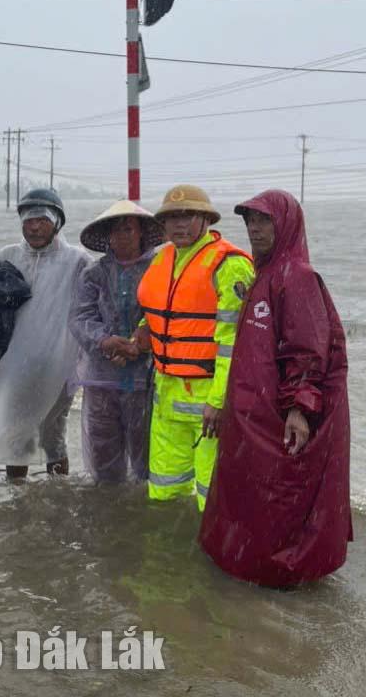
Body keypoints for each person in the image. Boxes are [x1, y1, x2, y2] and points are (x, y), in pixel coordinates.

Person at [199, 190, 352, 586]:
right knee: (249, 496)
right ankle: (245, 567)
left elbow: (308, 350)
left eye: (264, 221)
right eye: (250, 221)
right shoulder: (262, 274)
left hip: (277, 418)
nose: (254, 229)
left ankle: (281, 574)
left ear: (286, 225)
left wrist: (300, 409)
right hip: (250, 417)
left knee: (281, 497)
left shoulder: (296, 277)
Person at [135, 185, 254, 510]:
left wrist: (218, 403)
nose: (179, 224)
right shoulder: (163, 258)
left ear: (206, 219)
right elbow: (163, 310)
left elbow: (234, 344)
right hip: (166, 397)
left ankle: (209, 560)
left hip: (208, 404)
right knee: (162, 493)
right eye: (171, 217)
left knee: (213, 497)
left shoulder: (230, 266)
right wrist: (145, 330)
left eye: (187, 215)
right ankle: (166, 558)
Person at [0, 188, 91, 480]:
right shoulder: (8, 256)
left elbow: (92, 308)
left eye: (42, 220)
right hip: (13, 365)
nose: (34, 227)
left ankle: (56, 495)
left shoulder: (77, 261)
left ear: (58, 222)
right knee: (15, 434)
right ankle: (17, 499)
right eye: (28, 220)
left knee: (53, 434)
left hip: (58, 367)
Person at [69, 200, 164, 483]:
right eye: (117, 230)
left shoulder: (159, 269)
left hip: (144, 377)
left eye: (129, 229)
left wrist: (140, 344)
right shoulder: (93, 274)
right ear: (108, 236)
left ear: (142, 234)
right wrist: (106, 341)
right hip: (102, 379)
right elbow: (80, 317)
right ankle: (108, 516)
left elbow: (164, 313)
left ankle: (140, 516)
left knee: (146, 458)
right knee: (104, 461)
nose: (123, 235)